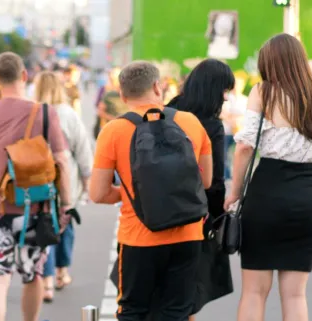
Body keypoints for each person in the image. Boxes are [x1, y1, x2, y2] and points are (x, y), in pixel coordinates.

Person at [224, 33, 312, 321]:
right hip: (306, 199)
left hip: (266, 195)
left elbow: (244, 147)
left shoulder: (263, 92)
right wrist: (304, 150)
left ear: (270, 64)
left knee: (254, 292)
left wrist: (234, 193)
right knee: (295, 295)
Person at [90, 61, 212, 321]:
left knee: (133, 311)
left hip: (139, 237)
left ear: (122, 95)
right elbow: (207, 180)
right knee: (177, 312)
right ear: (158, 87)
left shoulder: (113, 131)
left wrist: (136, 195)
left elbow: (98, 193)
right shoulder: (190, 122)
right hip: (188, 234)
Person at [0, 52, 73, 321]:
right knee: (33, 275)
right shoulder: (44, 112)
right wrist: (67, 204)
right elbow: (62, 160)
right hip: (36, 206)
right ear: (24, 75)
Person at [167, 58, 236, 319]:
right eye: (224, 91)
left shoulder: (167, 111)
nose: (226, 98)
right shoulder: (210, 125)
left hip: (154, 212)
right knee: (188, 295)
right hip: (193, 219)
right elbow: (214, 180)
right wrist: (217, 218)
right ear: (212, 89)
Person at [33, 71, 92, 302]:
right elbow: (82, 149)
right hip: (66, 176)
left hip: (38, 178)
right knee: (65, 223)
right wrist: (88, 180)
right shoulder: (68, 114)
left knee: (42, 226)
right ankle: (61, 272)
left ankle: (45, 281)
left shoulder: (32, 112)